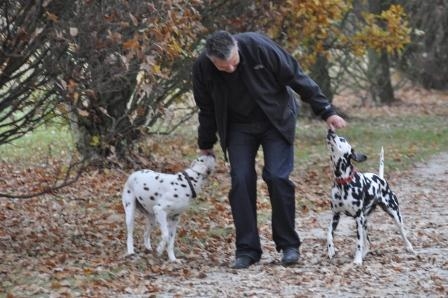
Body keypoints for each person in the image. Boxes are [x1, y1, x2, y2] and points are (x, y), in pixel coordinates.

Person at [192, 30, 346, 269]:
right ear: (211, 60)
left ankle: (288, 246)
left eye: (233, 63)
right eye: (223, 68)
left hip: (276, 119)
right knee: (241, 180)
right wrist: (205, 145)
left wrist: (326, 110)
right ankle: (247, 250)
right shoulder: (203, 67)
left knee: (277, 177)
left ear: (237, 49)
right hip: (237, 126)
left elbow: (296, 76)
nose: (230, 70)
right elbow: (206, 108)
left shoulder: (259, 48)